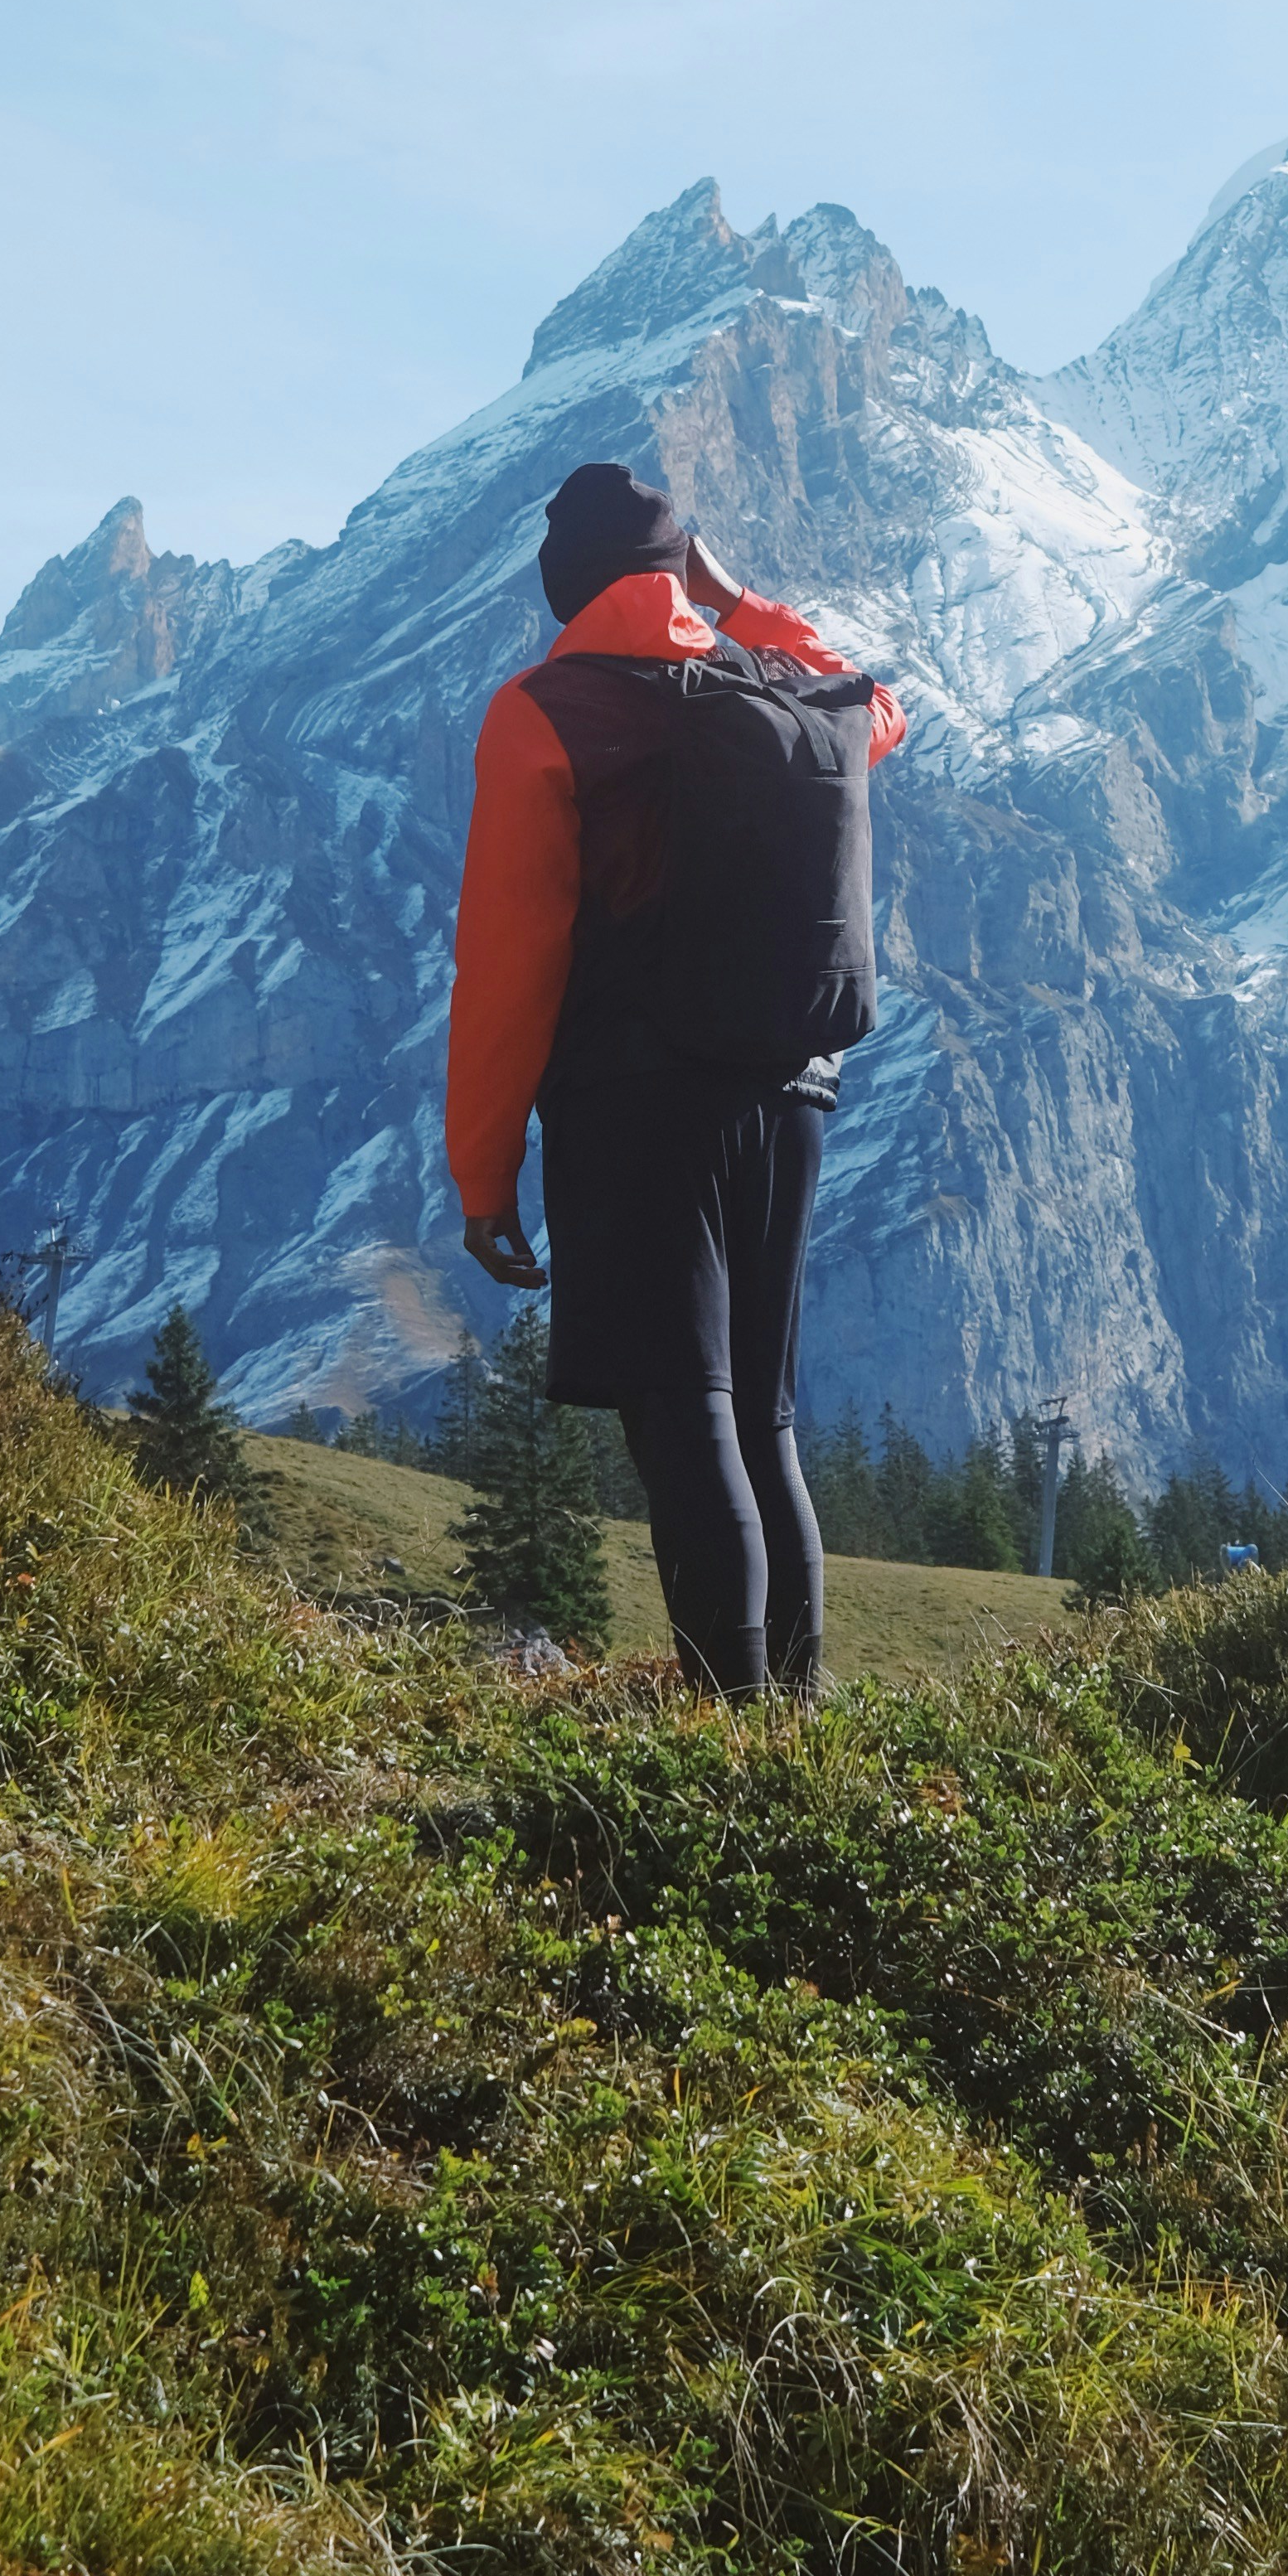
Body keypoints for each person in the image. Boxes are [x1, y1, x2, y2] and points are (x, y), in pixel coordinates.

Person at [445, 459, 905, 1699]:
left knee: (683, 1411)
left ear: (565, 590)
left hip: (640, 1103)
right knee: (763, 1416)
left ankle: (734, 1732)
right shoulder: (782, 685)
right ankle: (793, 1725)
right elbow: (888, 714)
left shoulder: (550, 710)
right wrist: (737, 596)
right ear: (672, 568)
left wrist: (485, 1175)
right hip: (793, 1091)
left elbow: (509, 960)